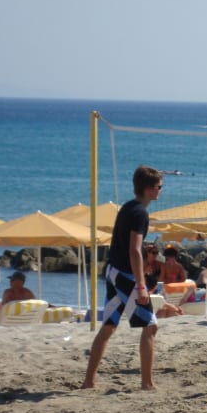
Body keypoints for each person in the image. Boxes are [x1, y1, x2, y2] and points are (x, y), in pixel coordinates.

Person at [82, 165, 163, 391]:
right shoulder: (140, 212)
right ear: (148, 189)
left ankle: (89, 381)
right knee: (150, 326)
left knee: (109, 326)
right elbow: (134, 250)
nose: (161, 190)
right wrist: (141, 285)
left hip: (113, 271)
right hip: (124, 274)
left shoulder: (128, 207)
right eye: (159, 187)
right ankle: (147, 383)